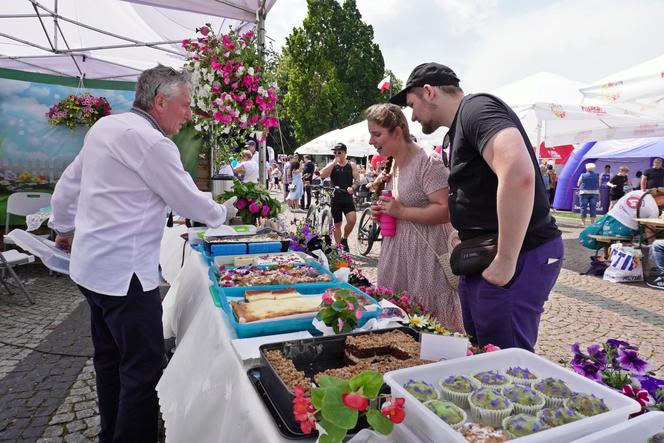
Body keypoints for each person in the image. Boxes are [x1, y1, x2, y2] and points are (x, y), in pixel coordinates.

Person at [48, 65, 237, 442]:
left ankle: (110, 434)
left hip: (91, 271)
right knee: (143, 369)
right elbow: (189, 201)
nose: (188, 114)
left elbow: (69, 184)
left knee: (109, 360)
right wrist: (223, 212)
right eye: (184, 106)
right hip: (125, 278)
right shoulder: (153, 143)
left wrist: (64, 227)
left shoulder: (106, 127)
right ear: (160, 101)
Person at [391, 62, 562, 352]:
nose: (413, 116)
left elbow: (518, 173)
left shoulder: (476, 109)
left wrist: (506, 259)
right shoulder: (456, 130)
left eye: (412, 105)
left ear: (429, 91)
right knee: (483, 350)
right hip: (485, 253)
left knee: (504, 358)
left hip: (518, 253)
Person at [368, 103, 463, 332]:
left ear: (398, 132)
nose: (372, 141)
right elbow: (401, 207)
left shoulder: (428, 162)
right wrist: (382, 214)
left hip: (425, 260)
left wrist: (400, 212)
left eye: (377, 134)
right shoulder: (394, 165)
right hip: (400, 257)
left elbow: (446, 210)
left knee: (432, 328)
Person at [320, 143, 360, 251]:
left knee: (352, 220)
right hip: (336, 198)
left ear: (345, 153)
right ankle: (339, 247)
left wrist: (353, 187)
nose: (337, 154)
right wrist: (333, 162)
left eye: (339, 152)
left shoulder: (351, 165)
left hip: (347, 197)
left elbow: (357, 181)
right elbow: (322, 174)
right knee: (337, 224)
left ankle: (344, 238)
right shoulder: (332, 165)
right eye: (335, 152)